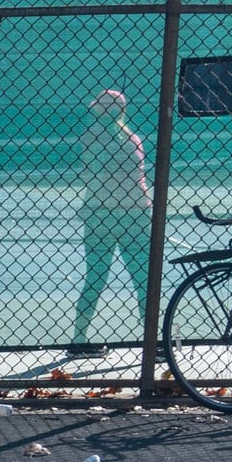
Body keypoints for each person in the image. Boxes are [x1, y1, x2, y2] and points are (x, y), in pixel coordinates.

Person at [69, 89, 152, 357]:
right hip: (133, 215)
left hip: (99, 215)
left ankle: (78, 339)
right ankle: (153, 342)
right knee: (144, 281)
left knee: (95, 278)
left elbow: (94, 176)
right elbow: (136, 181)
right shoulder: (132, 139)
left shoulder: (90, 138)